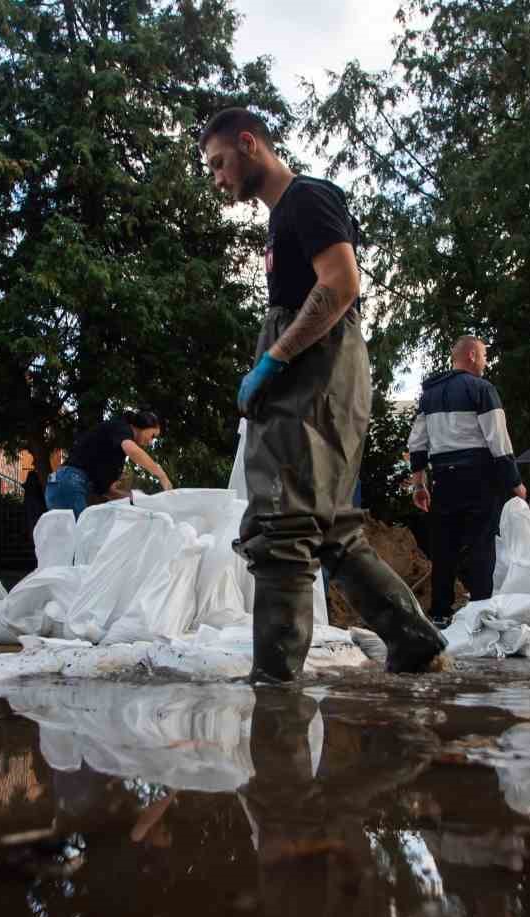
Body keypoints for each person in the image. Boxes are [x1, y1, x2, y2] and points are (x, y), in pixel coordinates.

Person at [200, 106, 446, 681]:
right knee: (330, 525)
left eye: (218, 162)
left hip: (314, 376)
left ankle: (275, 688)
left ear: (248, 143)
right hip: (315, 376)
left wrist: (274, 359)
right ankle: (414, 642)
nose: (216, 177)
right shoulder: (282, 216)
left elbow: (340, 284)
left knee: (282, 524)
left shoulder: (306, 199)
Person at [407, 335, 527, 625]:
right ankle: (481, 609)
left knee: (444, 546)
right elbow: (498, 440)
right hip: (478, 476)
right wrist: (515, 483)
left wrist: (419, 484)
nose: (485, 362)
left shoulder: (429, 395)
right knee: (480, 543)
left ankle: (439, 612)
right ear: (472, 355)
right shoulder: (482, 389)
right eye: (484, 355)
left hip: (444, 479)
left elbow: (417, 442)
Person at [44, 411, 172, 518]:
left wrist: (141, 500)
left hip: (62, 486)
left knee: (73, 544)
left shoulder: (114, 451)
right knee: (83, 542)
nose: (150, 442)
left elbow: (109, 492)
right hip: (68, 483)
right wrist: (162, 475)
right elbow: (132, 450)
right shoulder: (122, 428)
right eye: (153, 436)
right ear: (145, 424)